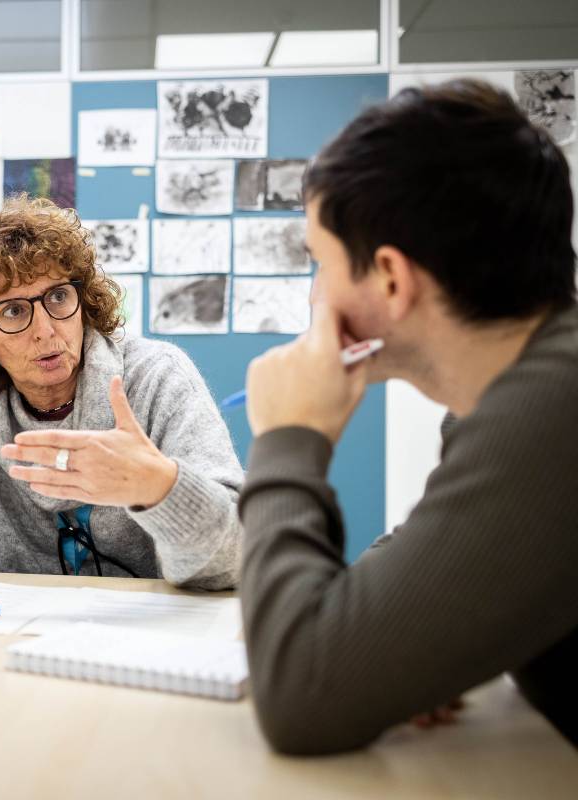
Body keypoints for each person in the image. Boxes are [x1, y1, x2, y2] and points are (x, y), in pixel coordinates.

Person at [239, 80, 578, 753]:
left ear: (391, 278)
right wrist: (392, 631)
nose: (315, 295)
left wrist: (287, 440)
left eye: (320, 264)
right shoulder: (515, 393)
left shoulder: (556, 408)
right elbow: (443, 551)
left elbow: (302, 695)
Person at [0, 196, 242, 587]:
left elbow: (237, 550)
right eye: (13, 311)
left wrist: (161, 486)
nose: (44, 329)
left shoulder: (157, 379)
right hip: (29, 638)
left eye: (58, 297)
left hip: (159, 633)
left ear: (84, 301)